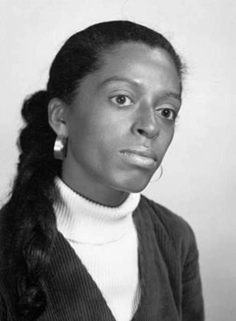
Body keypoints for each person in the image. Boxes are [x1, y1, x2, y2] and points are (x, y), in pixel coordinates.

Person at [0, 20, 204, 321]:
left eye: (166, 111)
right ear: (61, 118)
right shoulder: (7, 246)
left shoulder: (175, 238)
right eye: (122, 99)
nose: (150, 126)